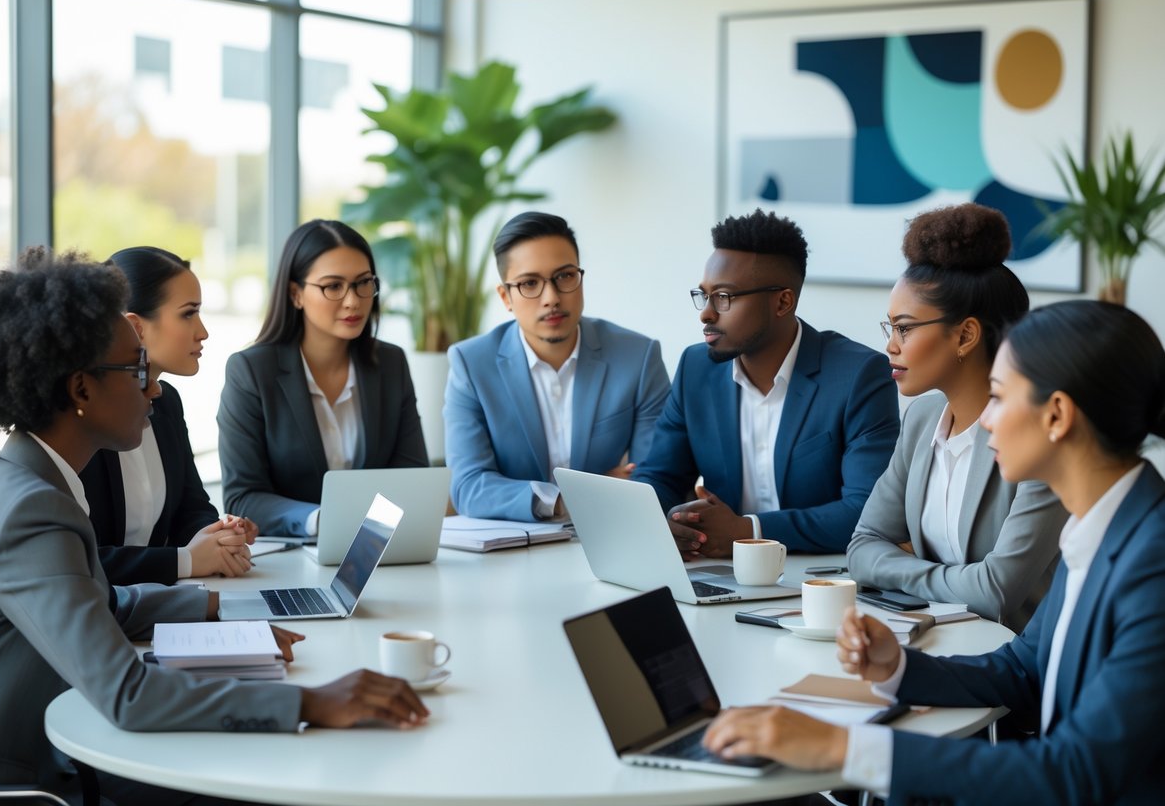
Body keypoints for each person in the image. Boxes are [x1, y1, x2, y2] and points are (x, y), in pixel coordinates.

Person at [0, 249, 427, 803]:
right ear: (81, 391)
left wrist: (218, 613)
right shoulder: (32, 512)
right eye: (135, 371)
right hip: (14, 778)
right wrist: (314, 703)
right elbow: (128, 696)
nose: (152, 390)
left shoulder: (25, 479)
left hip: (52, 736)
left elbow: (104, 602)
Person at [702, 300, 1165, 804]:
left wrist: (841, 747)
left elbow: (1073, 774)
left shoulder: (1152, 562)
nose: (984, 419)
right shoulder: (1103, 527)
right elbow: (1023, 670)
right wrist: (896, 667)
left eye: (998, 397)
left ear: (1056, 415)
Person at [846, 204, 1068, 631]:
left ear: (965, 335)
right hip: (932, 640)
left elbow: (996, 592)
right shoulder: (921, 419)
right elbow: (861, 547)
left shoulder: (1039, 437)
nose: (891, 346)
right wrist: (954, 583)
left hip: (1019, 670)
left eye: (904, 328)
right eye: (889, 328)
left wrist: (901, 570)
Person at [632, 208, 900, 555]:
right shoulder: (695, 368)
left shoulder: (858, 375)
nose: (706, 313)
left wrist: (749, 530)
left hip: (816, 578)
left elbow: (866, 511)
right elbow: (661, 476)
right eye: (704, 295)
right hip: (718, 571)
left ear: (782, 302)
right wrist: (661, 521)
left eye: (724, 297)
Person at [444, 211, 671, 521]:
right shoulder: (471, 364)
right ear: (505, 297)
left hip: (610, 539)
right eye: (529, 283)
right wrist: (572, 498)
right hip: (510, 552)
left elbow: (657, 477)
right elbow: (469, 487)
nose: (551, 297)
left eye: (565, 276)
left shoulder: (637, 357)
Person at [218, 219, 428, 537]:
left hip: (377, 549)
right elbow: (243, 497)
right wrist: (320, 520)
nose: (353, 300)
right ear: (295, 294)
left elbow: (412, 477)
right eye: (333, 286)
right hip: (290, 557)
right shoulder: (251, 371)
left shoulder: (390, 363)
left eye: (363, 283)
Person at [81, 246, 256, 586]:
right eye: (188, 314)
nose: (202, 331)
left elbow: (191, 507)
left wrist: (219, 537)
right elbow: (80, 560)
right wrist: (186, 560)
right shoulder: (82, 417)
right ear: (135, 327)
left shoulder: (167, 402)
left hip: (156, 604)